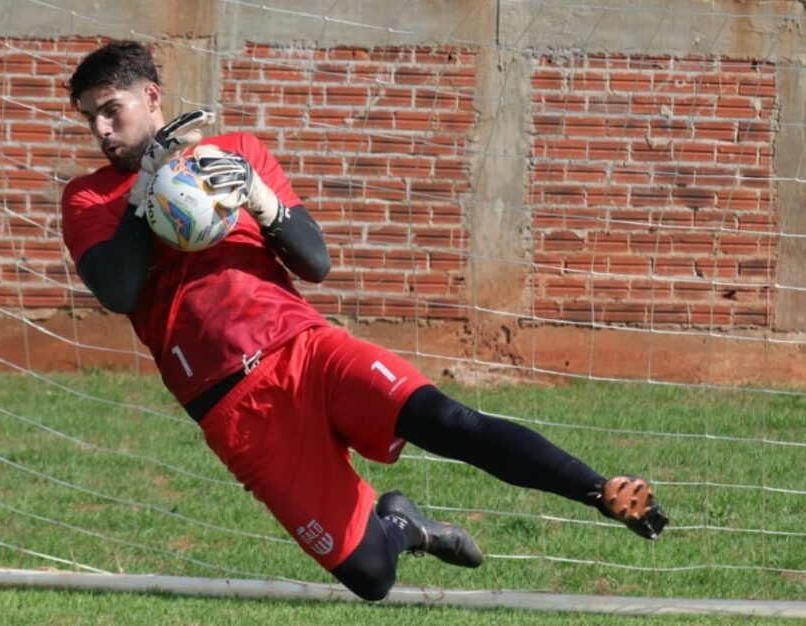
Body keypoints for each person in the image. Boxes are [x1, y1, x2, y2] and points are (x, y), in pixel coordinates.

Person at [60, 40, 669, 601]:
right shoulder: (88, 200)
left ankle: (599, 490)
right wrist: (148, 191)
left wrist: (258, 198)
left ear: (152, 97)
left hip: (306, 351)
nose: (102, 129)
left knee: (446, 419)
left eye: (111, 110)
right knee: (371, 576)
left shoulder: (235, 154)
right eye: (90, 118)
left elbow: (316, 262)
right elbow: (116, 291)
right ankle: (404, 523)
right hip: (232, 408)